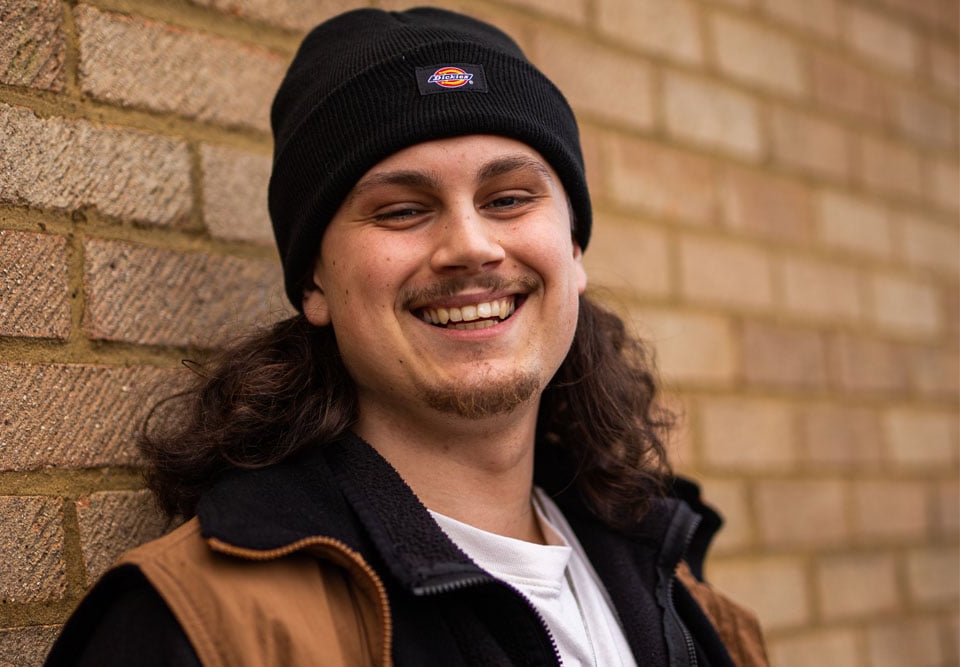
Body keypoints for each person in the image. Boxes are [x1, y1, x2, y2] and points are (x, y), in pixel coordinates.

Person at [47, 7, 768, 666]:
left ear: (573, 251)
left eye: (509, 197)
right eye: (400, 209)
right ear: (314, 285)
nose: (471, 245)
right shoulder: (204, 628)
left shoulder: (681, 589)